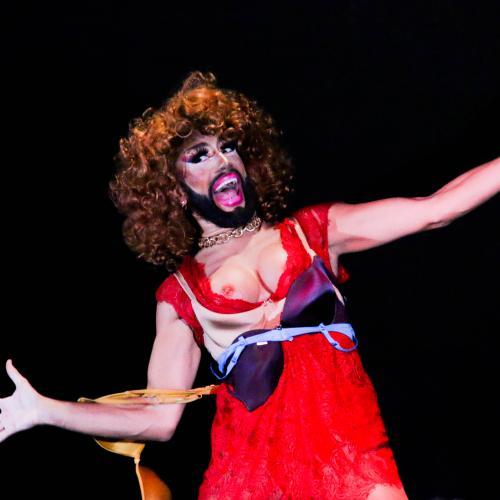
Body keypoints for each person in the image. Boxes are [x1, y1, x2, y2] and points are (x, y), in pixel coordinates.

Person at [1, 71, 498, 499]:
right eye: (199, 155)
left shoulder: (314, 232)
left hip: (350, 453)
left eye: (228, 147)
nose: (222, 161)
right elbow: (158, 418)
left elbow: (435, 210)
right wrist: (45, 410)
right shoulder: (182, 294)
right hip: (249, 472)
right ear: (174, 191)